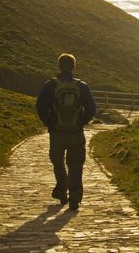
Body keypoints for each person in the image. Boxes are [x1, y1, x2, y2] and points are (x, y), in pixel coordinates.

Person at [36, 53, 96, 211]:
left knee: (58, 162)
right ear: (74, 67)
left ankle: (62, 190)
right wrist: (81, 122)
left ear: (59, 66)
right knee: (76, 165)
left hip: (57, 132)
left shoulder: (50, 85)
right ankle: (74, 198)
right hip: (76, 133)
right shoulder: (81, 86)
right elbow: (91, 108)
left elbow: (40, 106)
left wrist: (49, 123)